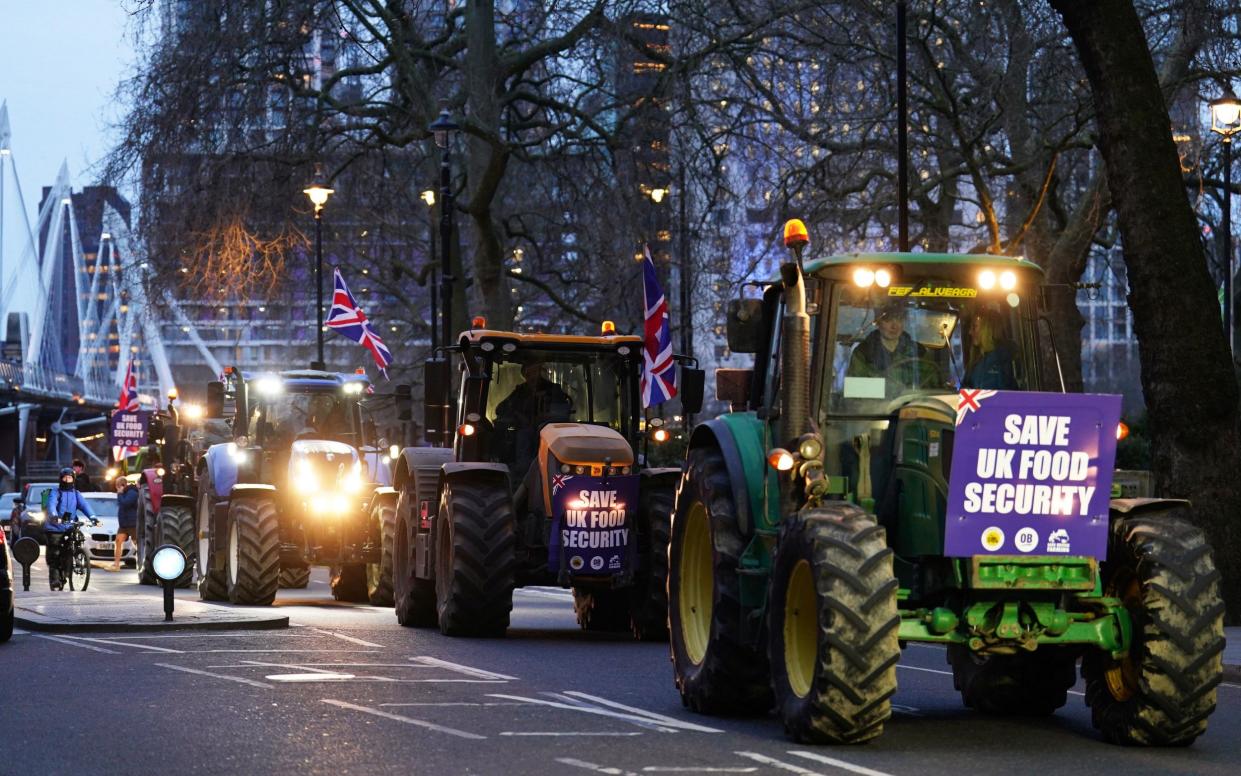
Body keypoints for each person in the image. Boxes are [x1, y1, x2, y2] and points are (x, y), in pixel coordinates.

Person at [847, 302, 942, 392]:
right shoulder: (864, 353)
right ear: (878, 322)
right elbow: (855, 391)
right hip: (876, 408)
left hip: (914, 406)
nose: (894, 326)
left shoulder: (918, 352)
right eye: (888, 320)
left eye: (899, 319)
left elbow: (934, 387)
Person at [45, 467, 97, 590]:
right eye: (65, 477)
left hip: (69, 526)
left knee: (71, 548)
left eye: (70, 478)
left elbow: (85, 506)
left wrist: (93, 517)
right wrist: (54, 516)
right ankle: (55, 579)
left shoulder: (76, 494)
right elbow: (51, 504)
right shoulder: (55, 492)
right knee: (55, 554)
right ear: (61, 479)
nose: (67, 480)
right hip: (55, 528)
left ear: (73, 479)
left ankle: (70, 568)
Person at [964, 308, 1017, 390]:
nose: (970, 332)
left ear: (988, 329)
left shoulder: (1001, 359)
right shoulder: (976, 361)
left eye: (974, 327)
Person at [113, 476, 139, 572]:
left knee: (136, 543)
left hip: (132, 523)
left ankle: (141, 561)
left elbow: (125, 503)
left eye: (117, 487)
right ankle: (116, 564)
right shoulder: (124, 493)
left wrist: (120, 494)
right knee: (118, 541)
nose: (116, 489)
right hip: (124, 524)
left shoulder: (132, 493)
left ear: (122, 486)